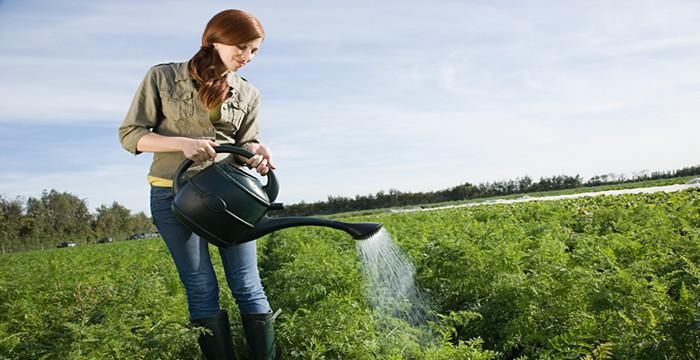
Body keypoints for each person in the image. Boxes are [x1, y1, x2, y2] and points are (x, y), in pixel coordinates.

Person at [118, 9, 278, 360]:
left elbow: (245, 144)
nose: (247, 57)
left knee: (247, 285)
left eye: (254, 51)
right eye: (242, 47)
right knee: (201, 287)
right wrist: (181, 144)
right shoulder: (162, 77)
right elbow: (132, 135)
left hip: (230, 198)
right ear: (214, 40)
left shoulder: (248, 94)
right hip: (173, 196)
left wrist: (257, 150)